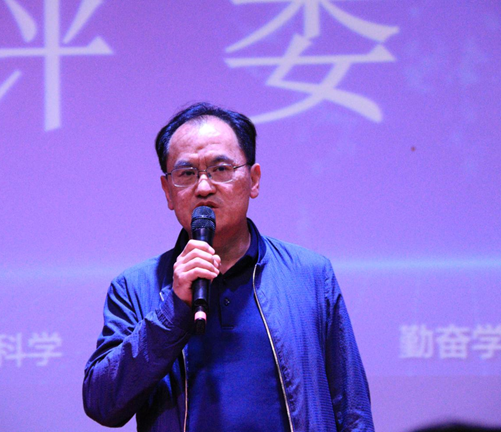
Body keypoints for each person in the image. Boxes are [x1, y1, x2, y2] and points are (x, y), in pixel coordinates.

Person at [82, 102, 374, 432]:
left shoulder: (311, 275)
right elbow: (101, 403)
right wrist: (173, 309)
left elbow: (352, 411)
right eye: (186, 174)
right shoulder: (134, 287)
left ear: (253, 179)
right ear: (168, 192)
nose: (204, 187)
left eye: (221, 169)